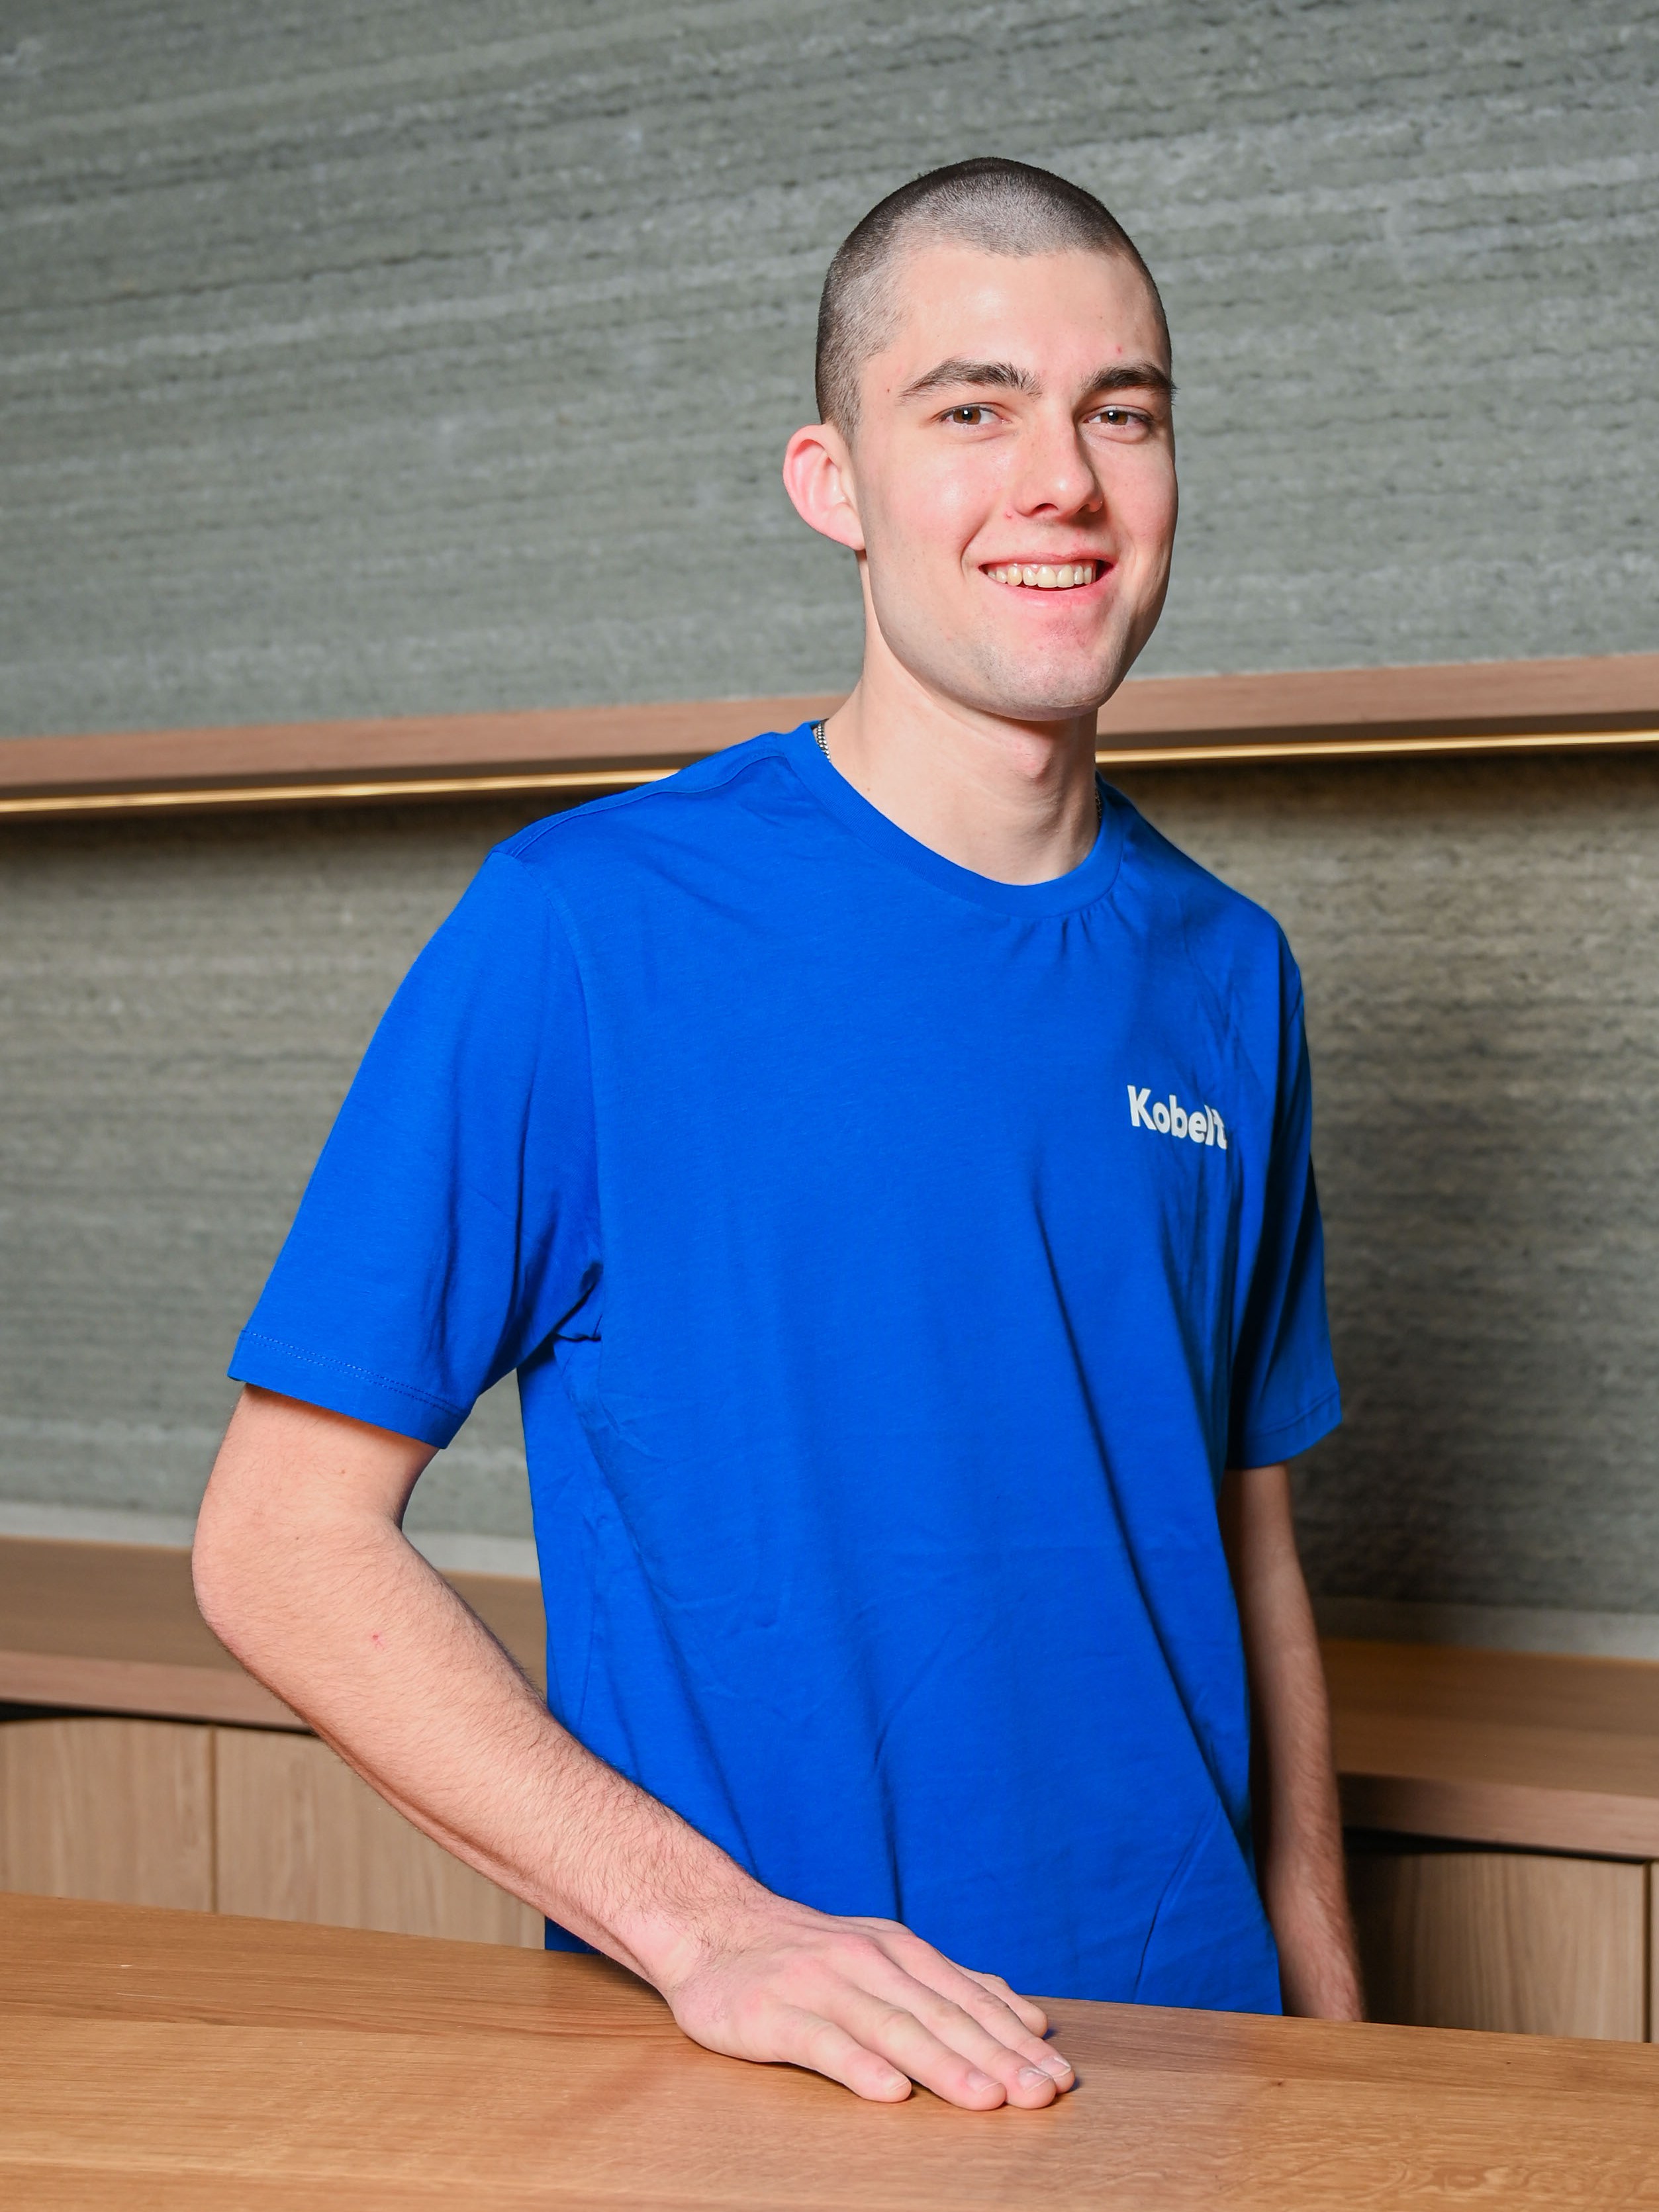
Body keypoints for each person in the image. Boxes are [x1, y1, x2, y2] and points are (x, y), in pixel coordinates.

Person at [194, 157, 1363, 2113]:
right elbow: (277, 1546)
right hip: (789, 2085)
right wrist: (706, 1929)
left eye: (1121, 414)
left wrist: (1333, 2034)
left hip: (1196, 2060)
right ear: (833, 482)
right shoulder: (586, 929)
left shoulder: (1230, 972)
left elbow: (1247, 1546)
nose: (1062, 481)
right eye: (972, 410)